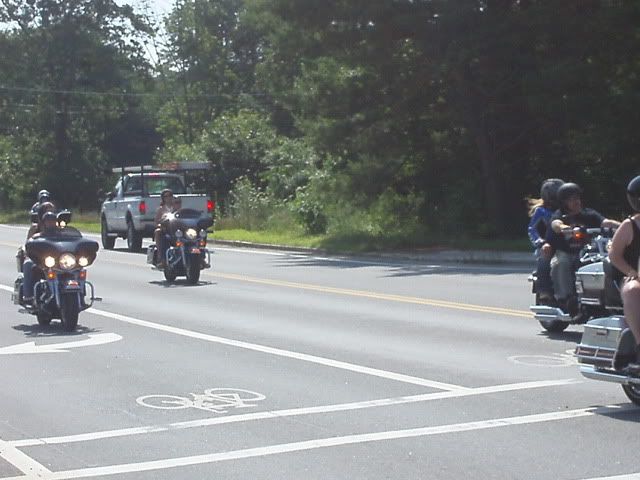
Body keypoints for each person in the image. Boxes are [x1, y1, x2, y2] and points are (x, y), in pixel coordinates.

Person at [546, 182, 620, 316]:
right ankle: (566, 299)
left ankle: (603, 297)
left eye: (577, 198)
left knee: (606, 264)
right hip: (566, 252)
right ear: (564, 202)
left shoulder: (589, 214)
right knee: (561, 263)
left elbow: (606, 222)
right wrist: (564, 228)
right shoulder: (559, 215)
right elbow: (556, 224)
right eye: (572, 199)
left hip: (588, 251)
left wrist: (623, 226)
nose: (576, 202)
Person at [609, 176, 640, 369]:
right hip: (634, 276)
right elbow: (614, 255)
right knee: (632, 290)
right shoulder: (630, 226)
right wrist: (631, 272)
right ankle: (639, 344)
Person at [527, 178, 564, 301]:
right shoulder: (541, 211)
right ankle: (544, 290)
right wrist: (539, 241)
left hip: (566, 244)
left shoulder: (566, 210)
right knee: (545, 258)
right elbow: (532, 228)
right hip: (547, 244)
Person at [22, 211, 58, 305]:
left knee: (77, 269)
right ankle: (28, 295)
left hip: (58, 261)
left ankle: (80, 294)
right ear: (44, 222)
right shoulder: (37, 236)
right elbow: (29, 247)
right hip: (41, 260)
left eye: (53, 221)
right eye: (48, 221)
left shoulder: (61, 234)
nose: (51, 223)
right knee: (28, 264)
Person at [154, 189, 174, 266]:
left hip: (177, 229)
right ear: (163, 198)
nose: (168, 198)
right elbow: (157, 221)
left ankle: (200, 259)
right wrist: (160, 224)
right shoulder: (161, 209)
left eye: (170, 195)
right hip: (166, 229)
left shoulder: (176, 207)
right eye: (166, 196)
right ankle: (161, 257)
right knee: (158, 231)